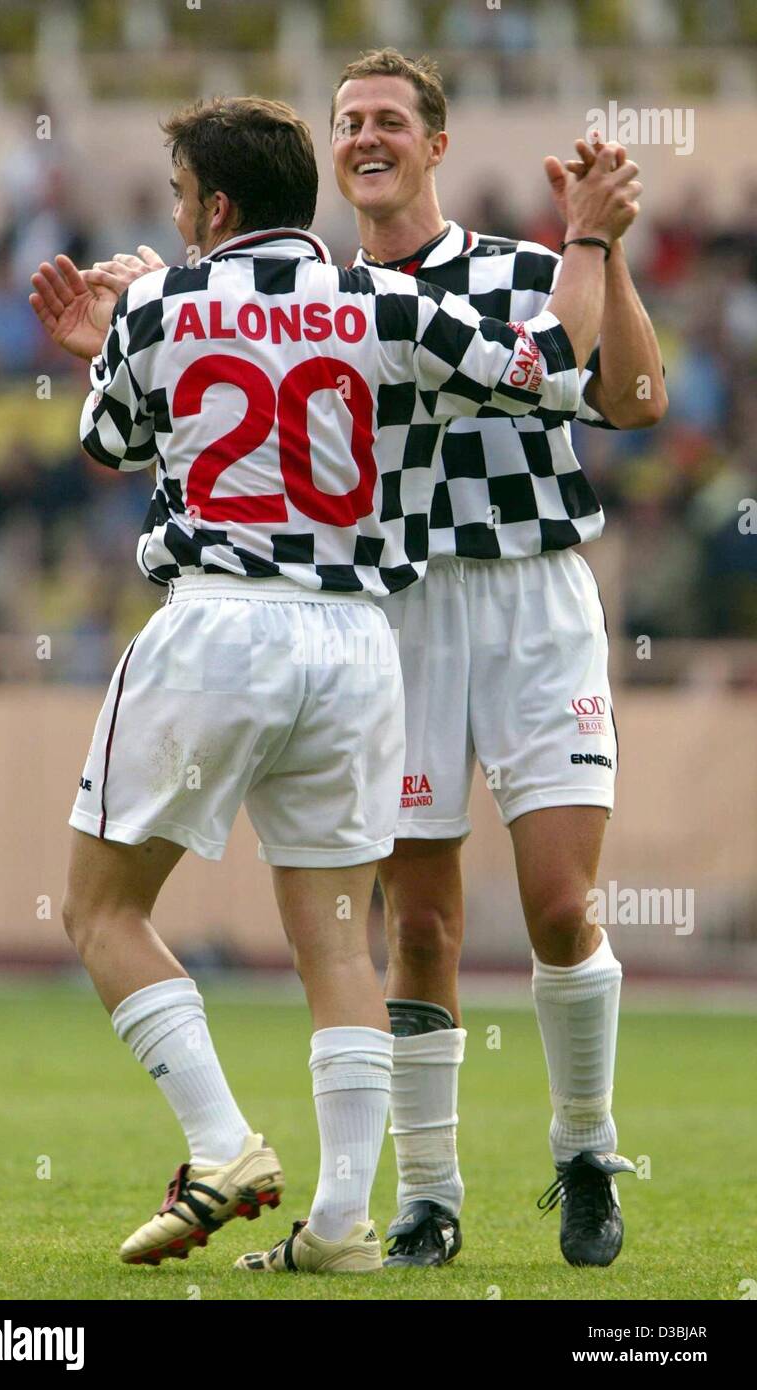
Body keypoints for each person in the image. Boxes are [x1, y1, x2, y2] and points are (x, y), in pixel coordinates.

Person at [29, 94, 623, 1275]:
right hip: (358, 641)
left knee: (102, 910)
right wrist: (592, 245)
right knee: (341, 942)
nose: (177, 215)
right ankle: (348, 1221)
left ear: (216, 206)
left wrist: (113, 335)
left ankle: (220, 1145)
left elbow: (108, 446)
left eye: (181, 197)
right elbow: (557, 363)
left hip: (220, 623)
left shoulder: (157, 300)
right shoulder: (382, 299)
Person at [329, 49, 667, 1269]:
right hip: (402, 612)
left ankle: (584, 1149)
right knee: (415, 923)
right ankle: (429, 1194)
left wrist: (603, 244)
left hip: (534, 599)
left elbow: (629, 399)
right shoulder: (321, 303)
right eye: (345, 121)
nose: (364, 137)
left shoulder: (536, 268)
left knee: (561, 905)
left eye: (386, 120)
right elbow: (529, 377)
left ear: (433, 142)